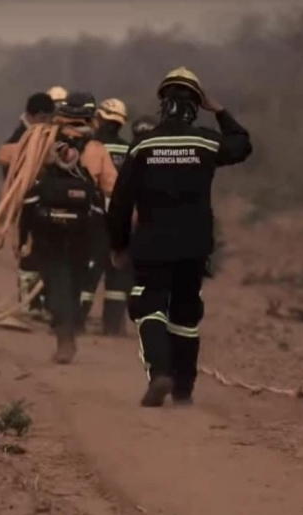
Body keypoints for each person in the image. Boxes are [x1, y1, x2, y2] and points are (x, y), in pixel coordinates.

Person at [107, 67, 253, 407]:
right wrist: (220, 111)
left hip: (152, 245)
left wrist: (118, 244)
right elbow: (243, 145)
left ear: (163, 106)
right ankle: (184, 390)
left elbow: (120, 201)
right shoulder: (206, 141)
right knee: (186, 314)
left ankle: (160, 374)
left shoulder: (143, 145)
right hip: (194, 245)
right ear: (195, 107)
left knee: (149, 306)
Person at [0, 91, 117, 364]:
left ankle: (64, 336)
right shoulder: (96, 150)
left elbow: (2, 156)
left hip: (46, 225)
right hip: (85, 228)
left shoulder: (43, 140)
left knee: (53, 277)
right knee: (75, 279)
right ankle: (70, 327)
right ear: (91, 115)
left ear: (61, 114)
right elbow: (114, 188)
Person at [0, 92, 57, 317]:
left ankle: (44, 304)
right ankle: (29, 307)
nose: (48, 122)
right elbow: (6, 161)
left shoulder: (46, 135)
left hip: (44, 202)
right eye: (45, 117)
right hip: (25, 203)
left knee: (46, 253)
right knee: (27, 254)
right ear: (35, 115)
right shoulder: (19, 137)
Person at [79, 98, 132, 336]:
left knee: (90, 269)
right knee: (118, 272)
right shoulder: (130, 149)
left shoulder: (94, 148)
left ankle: (77, 321)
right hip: (127, 220)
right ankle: (112, 325)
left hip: (99, 218)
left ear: (99, 119)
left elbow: (88, 182)